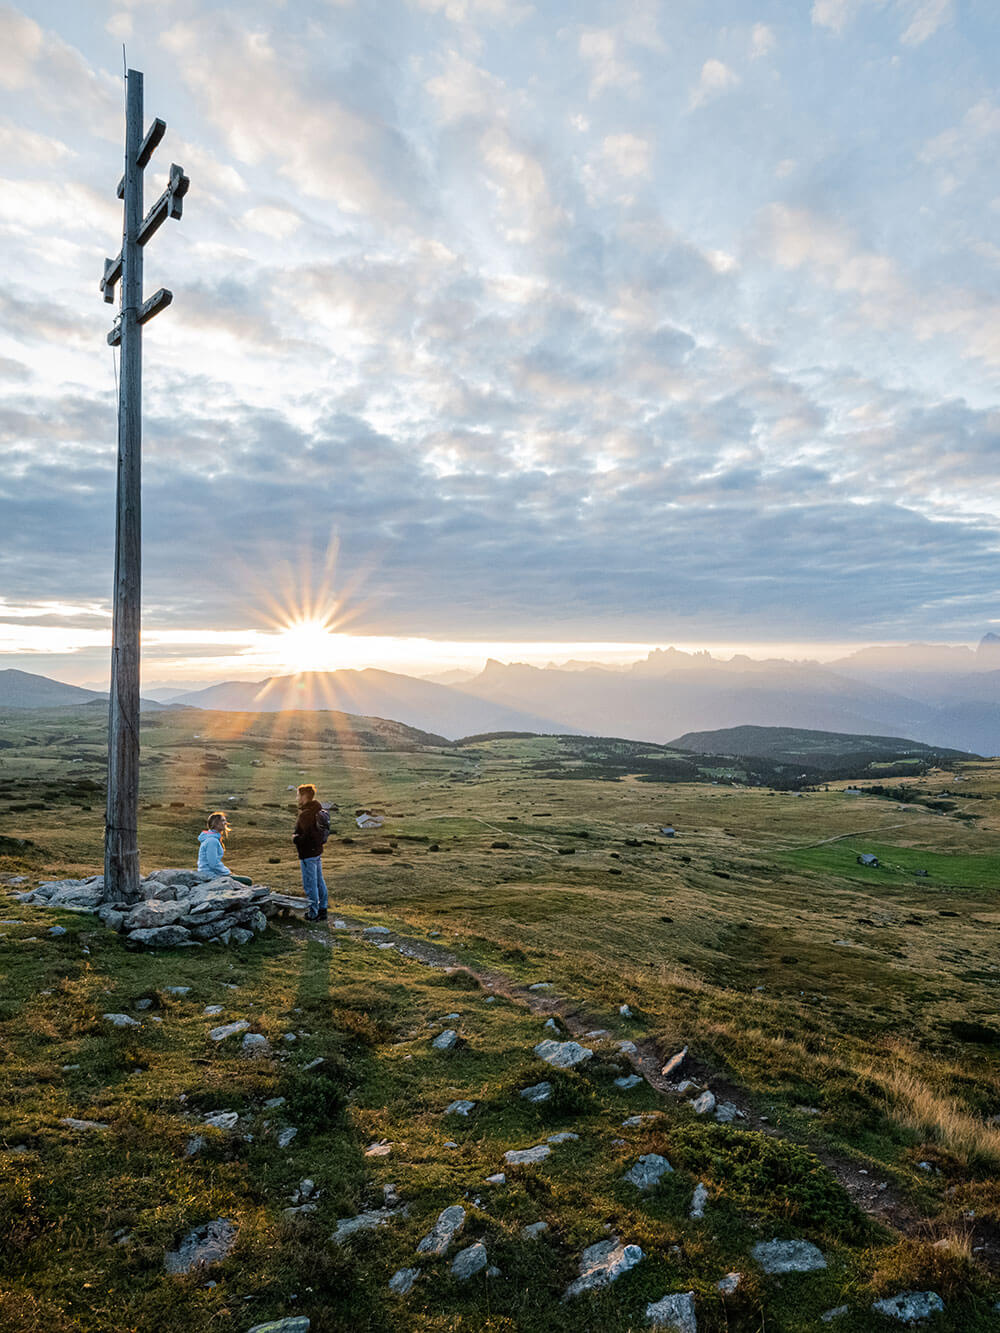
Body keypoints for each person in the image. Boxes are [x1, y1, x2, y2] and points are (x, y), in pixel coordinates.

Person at [293, 783, 328, 921]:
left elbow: (306, 836)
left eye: (298, 795)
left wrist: (296, 839)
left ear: (304, 796)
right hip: (317, 852)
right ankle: (323, 909)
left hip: (307, 854)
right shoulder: (318, 810)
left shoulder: (306, 814)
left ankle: (313, 913)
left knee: (310, 883)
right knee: (319, 881)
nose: (297, 798)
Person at [197, 812, 253, 885]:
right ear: (215, 823)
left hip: (209, 873)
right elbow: (213, 864)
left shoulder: (212, 838)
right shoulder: (212, 841)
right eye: (223, 820)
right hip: (210, 875)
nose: (225, 823)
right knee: (248, 881)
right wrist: (227, 873)